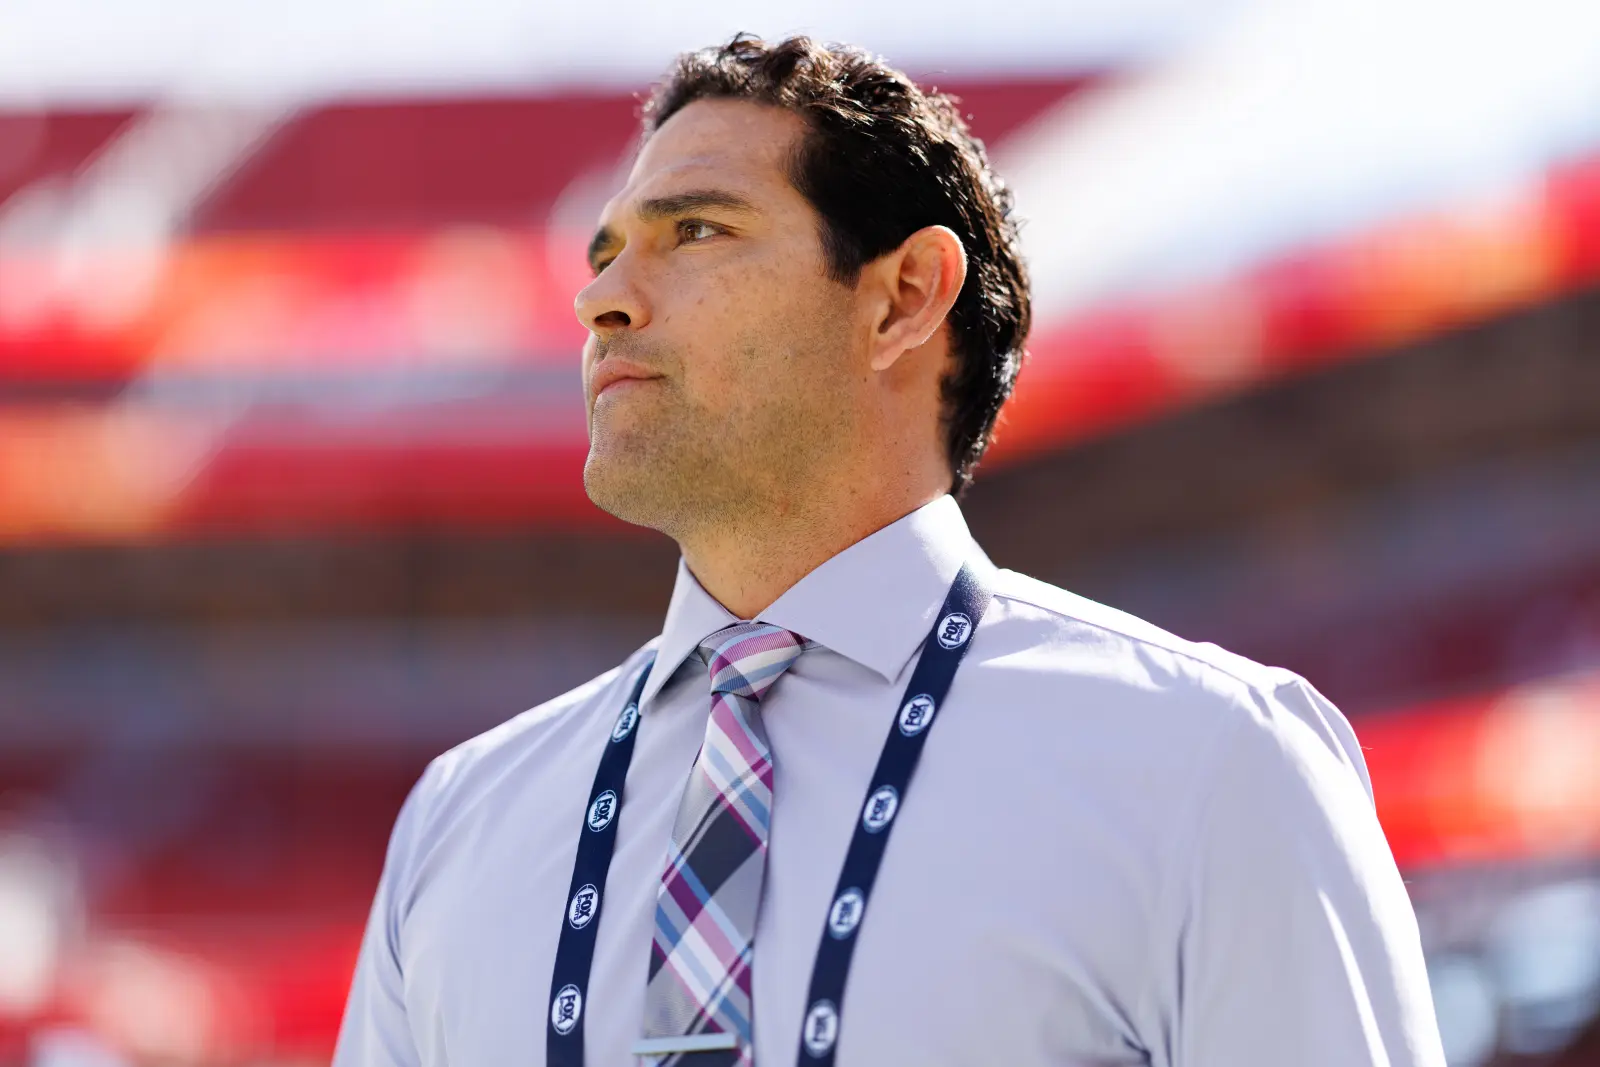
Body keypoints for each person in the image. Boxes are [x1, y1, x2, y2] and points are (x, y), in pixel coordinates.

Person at [334, 34, 1446, 1067]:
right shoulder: (457, 828)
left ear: (904, 298)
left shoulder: (1211, 765)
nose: (599, 299)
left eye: (696, 231)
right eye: (606, 252)